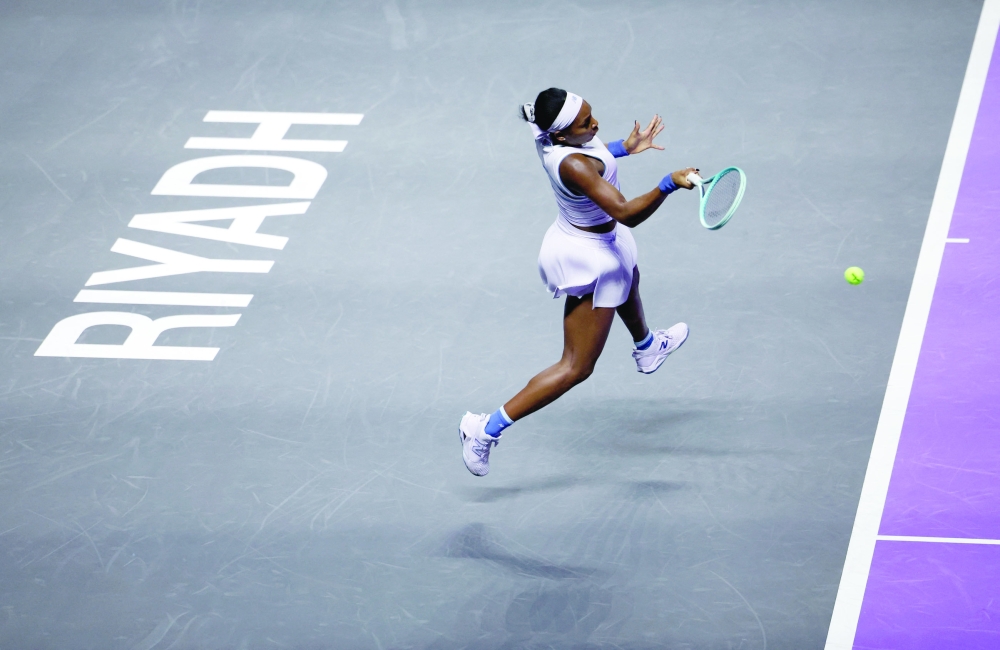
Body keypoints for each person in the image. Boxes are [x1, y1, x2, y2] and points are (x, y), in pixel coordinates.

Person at [459, 88, 698, 476]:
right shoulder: (573, 164)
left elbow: (594, 154)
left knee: (629, 273)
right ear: (561, 135)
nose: (595, 125)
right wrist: (668, 183)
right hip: (588, 256)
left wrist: (625, 147)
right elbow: (625, 212)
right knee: (576, 366)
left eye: (592, 115)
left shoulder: (554, 135)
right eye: (586, 123)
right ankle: (484, 430)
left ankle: (647, 346)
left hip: (592, 236)